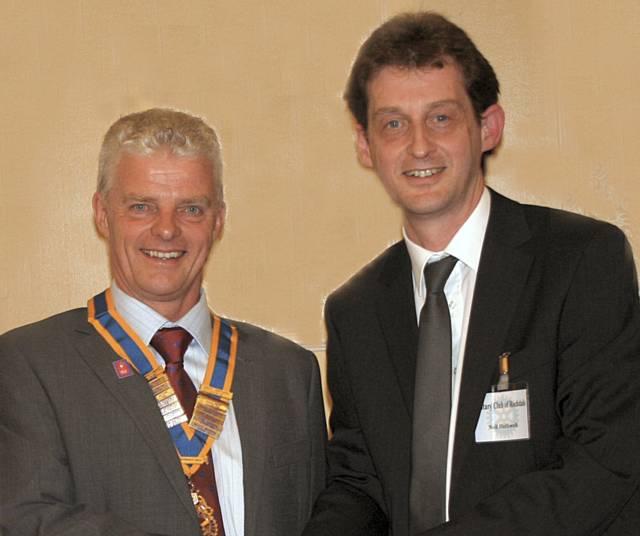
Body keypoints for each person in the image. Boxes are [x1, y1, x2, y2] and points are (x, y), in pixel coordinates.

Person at [303, 11, 640, 536]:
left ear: (487, 127)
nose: (418, 146)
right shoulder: (355, 310)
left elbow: (604, 460)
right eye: (394, 123)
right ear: (366, 146)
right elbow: (358, 482)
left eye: (440, 118)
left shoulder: (581, 261)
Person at [0, 108, 326, 536]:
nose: (167, 230)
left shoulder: (288, 372)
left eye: (191, 208)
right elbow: (27, 519)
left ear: (218, 220)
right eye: (142, 207)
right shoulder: (30, 365)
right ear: (102, 213)